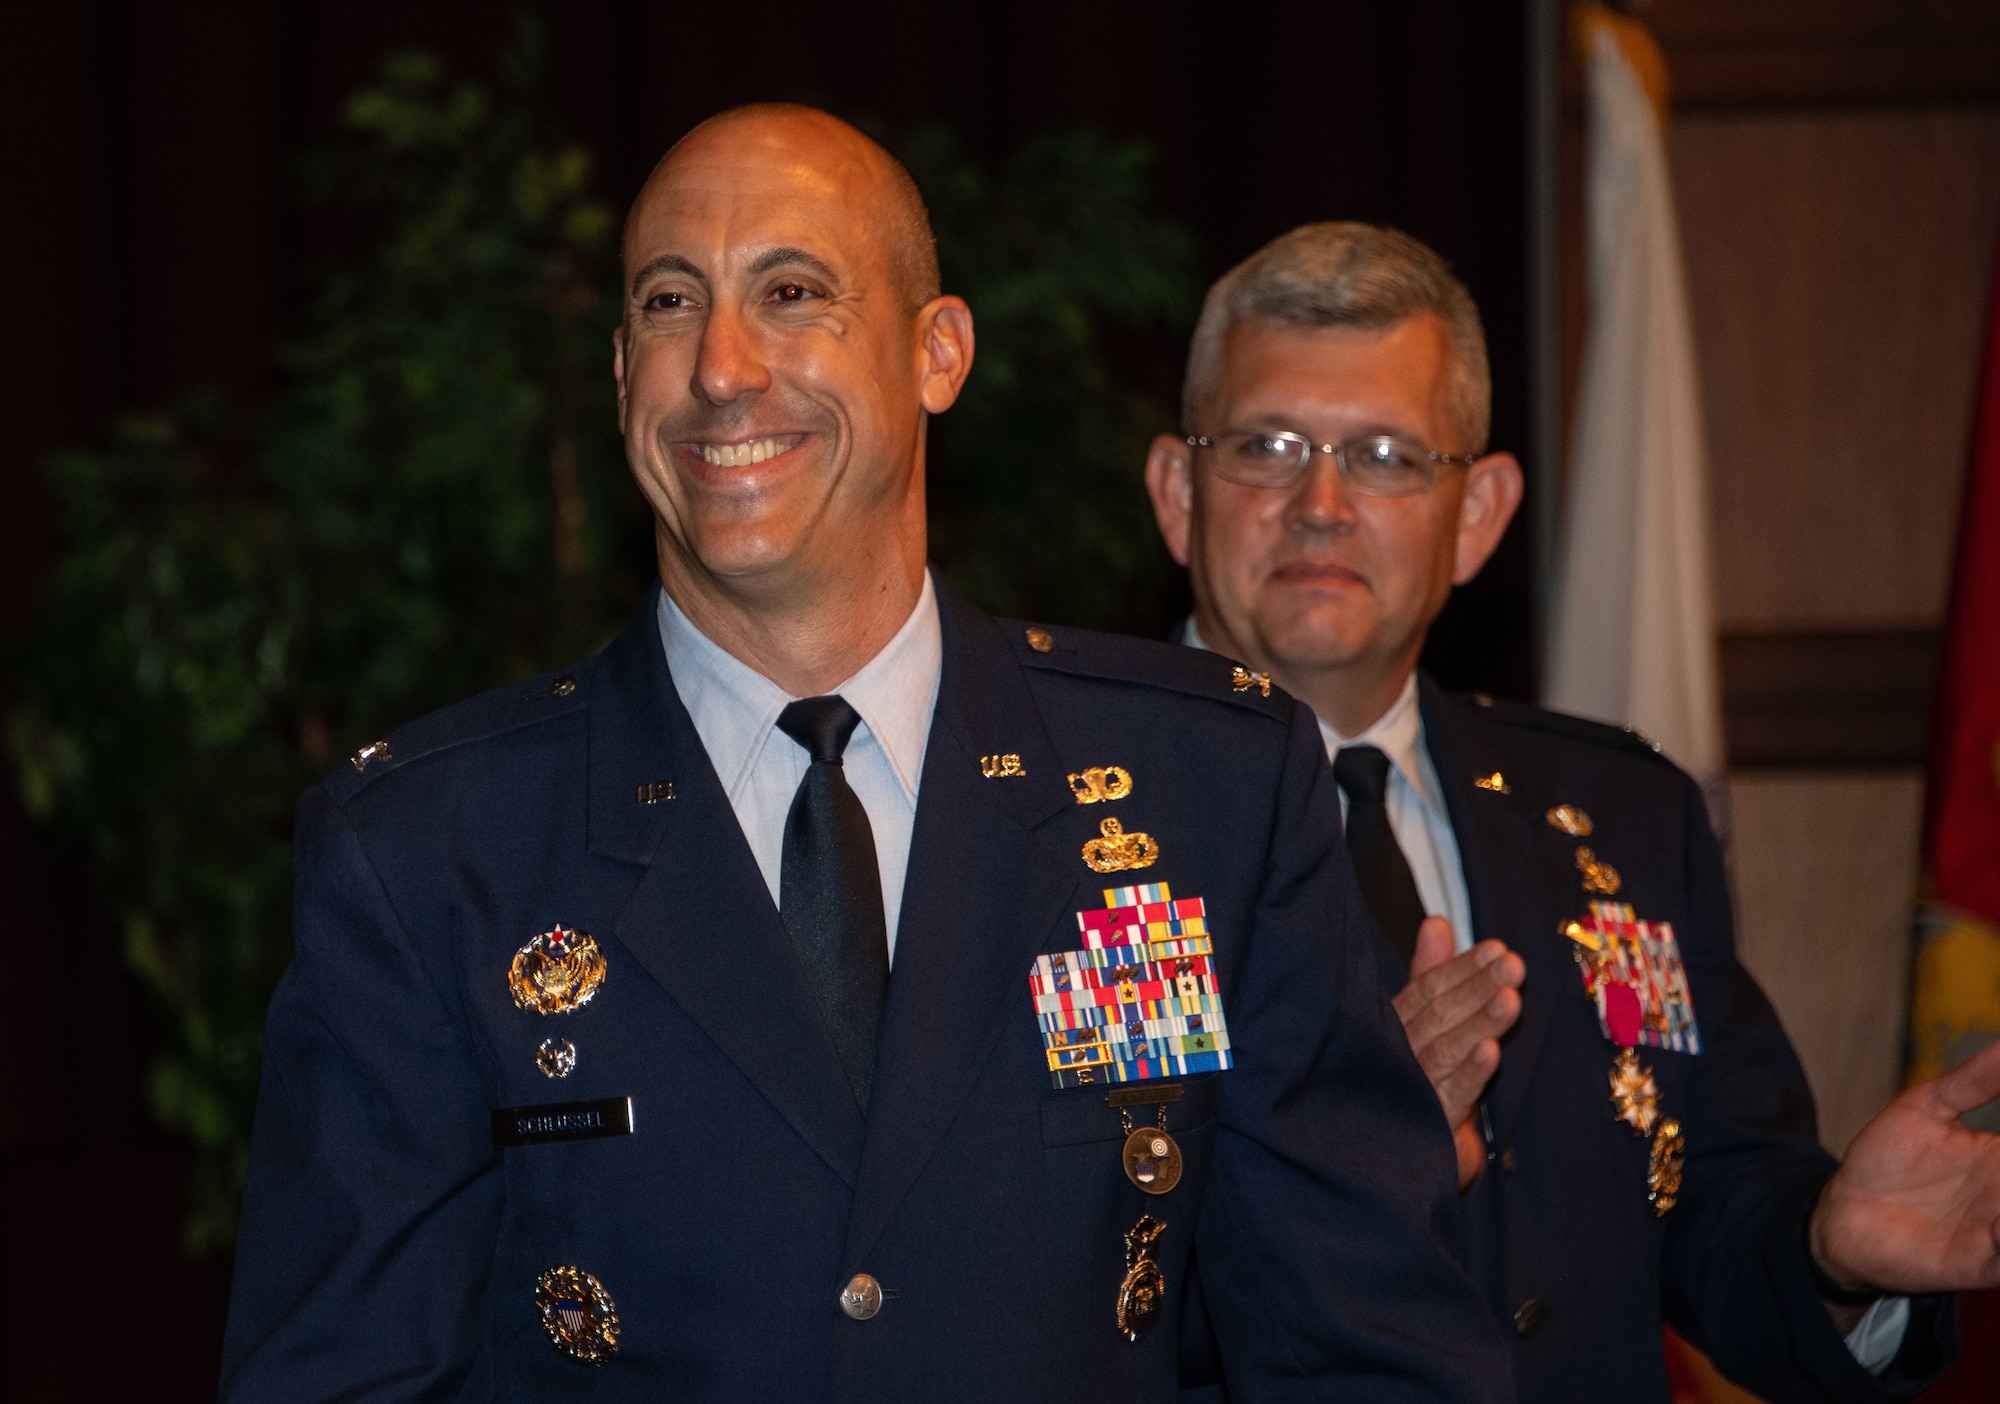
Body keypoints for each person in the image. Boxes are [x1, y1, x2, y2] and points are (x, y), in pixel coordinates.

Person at [218, 111, 1512, 1401]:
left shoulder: (1209, 791)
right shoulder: (434, 850)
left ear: (936, 351)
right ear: (623, 375)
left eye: (792, 292)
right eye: (672, 303)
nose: (722, 366)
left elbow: (1370, 1357)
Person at [1144, 222, 2000, 1403]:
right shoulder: (1048, 822)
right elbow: (1007, 1295)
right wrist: (1347, 1159)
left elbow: (1709, 1200)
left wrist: (1825, 1251)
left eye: (1388, 454)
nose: (1321, 503)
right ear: (1179, 493)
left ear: (1480, 513)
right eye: (1267, 445)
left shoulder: (1617, 819)